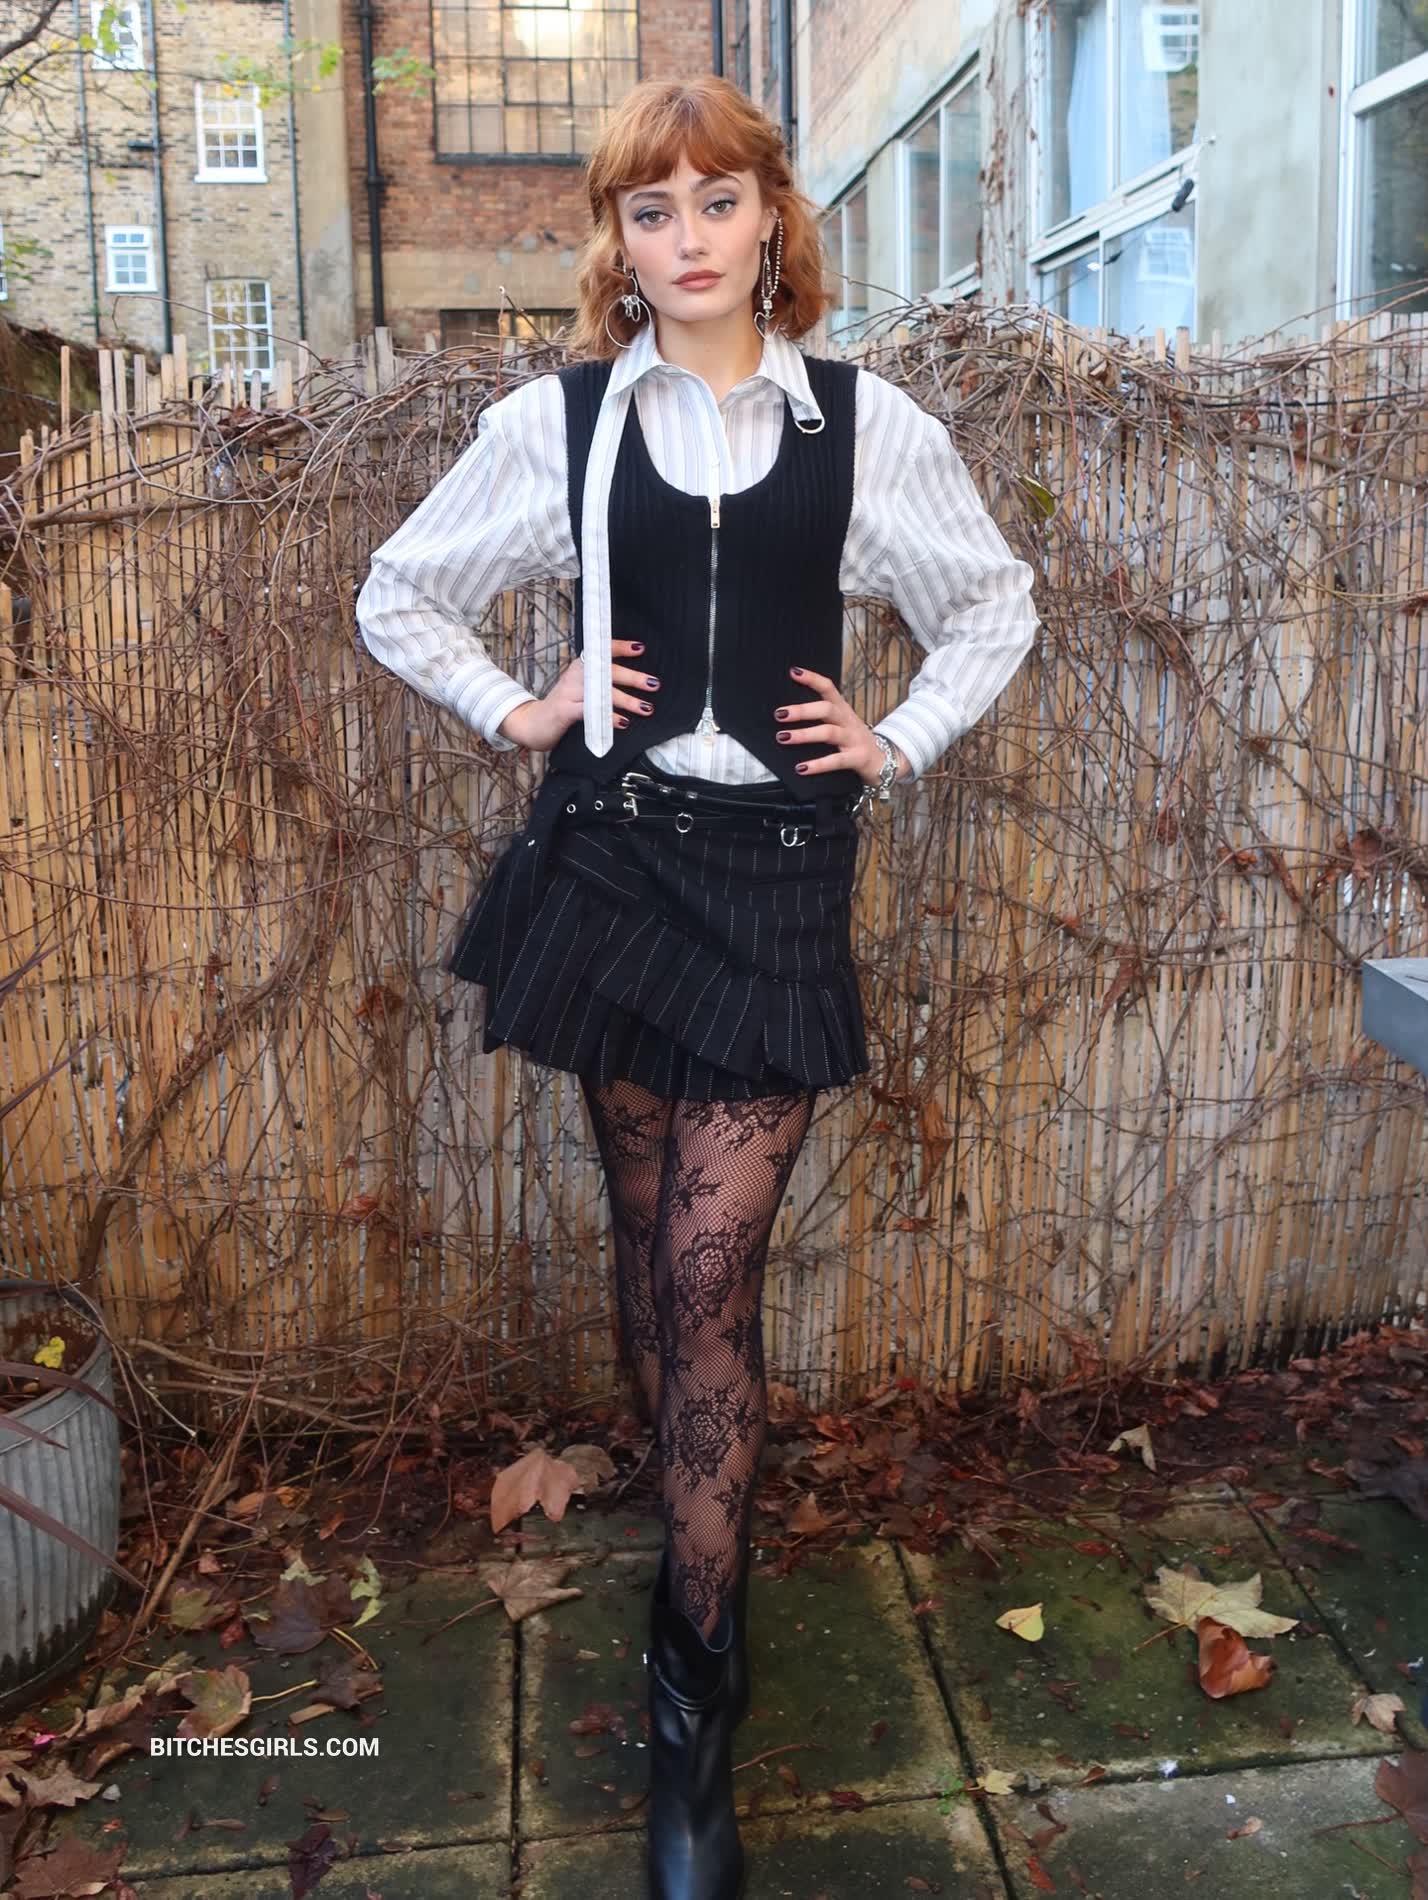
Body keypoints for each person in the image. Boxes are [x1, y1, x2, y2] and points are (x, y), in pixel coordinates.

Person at [355, 72, 1039, 1900]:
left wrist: (895, 737)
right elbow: (398, 593)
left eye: (716, 202)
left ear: (769, 220)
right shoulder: (561, 422)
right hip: (613, 863)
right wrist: (525, 705)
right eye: (649, 211)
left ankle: (693, 1676)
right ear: (618, 240)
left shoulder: (866, 426)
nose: (687, 239)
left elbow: (994, 602)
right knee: (650, 1236)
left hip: (781, 880)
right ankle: (697, 1554)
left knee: (711, 1262)